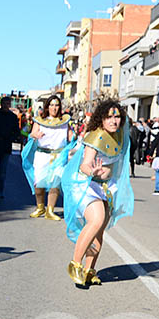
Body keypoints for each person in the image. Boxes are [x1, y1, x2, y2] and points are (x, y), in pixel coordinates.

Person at [62, 99, 133, 288]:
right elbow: (85, 164)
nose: (113, 121)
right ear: (101, 119)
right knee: (96, 220)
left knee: (100, 229)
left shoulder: (120, 136)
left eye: (117, 116)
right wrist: (91, 172)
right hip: (86, 185)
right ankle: (75, 265)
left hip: (105, 187)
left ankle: (89, 270)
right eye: (109, 117)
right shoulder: (96, 137)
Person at [21, 94, 72, 220]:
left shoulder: (64, 121)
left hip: (59, 156)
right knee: (39, 184)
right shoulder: (40, 120)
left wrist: (78, 137)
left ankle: (50, 210)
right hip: (42, 155)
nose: (54, 108)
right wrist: (35, 135)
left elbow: (71, 137)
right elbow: (32, 133)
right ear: (47, 107)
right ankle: (40, 207)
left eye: (57, 105)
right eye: (52, 105)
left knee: (55, 183)